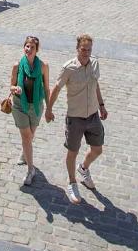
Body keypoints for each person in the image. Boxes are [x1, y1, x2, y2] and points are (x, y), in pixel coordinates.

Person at [45, 33, 107, 205]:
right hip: (75, 117)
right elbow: (56, 89)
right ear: (77, 49)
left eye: (89, 50)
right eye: (83, 49)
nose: (86, 53)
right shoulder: (68, 68)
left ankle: (84, 168)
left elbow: (96, 85)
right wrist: (49, 110)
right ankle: (72, 182)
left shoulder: (95, 64)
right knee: (72, 152)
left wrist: (102, 105)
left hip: (93, 114)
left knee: (97, 149)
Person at [8, 36, 50, 187]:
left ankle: (24, 153)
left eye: (32, 47)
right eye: (27, 46)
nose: (29, 49)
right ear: (23, 47)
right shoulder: (17, 65)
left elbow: (46, 88)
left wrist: (49, 108)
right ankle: (30, 170)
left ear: (36, 50)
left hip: (37, 106)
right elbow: (11, 86)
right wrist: (15, 88)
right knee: (26, 137)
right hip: (20, 105)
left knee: (30, 136)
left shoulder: (44, 66)